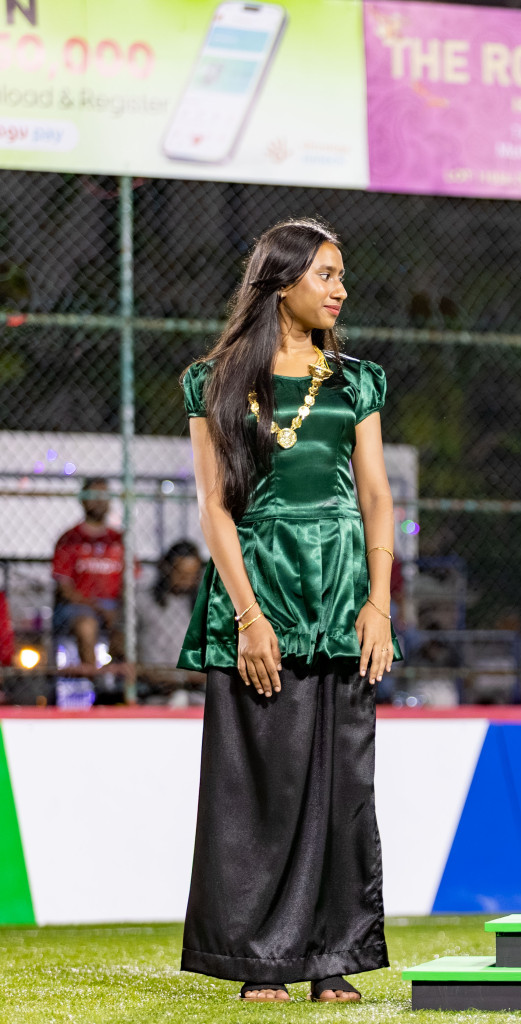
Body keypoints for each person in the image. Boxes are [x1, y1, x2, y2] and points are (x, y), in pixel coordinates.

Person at [178, 219, 399, 1002]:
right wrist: (247, 616)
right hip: (258, 585)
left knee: (344, 780)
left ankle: (331, 956)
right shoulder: (213, 380)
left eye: (342, 276)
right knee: (259, 781)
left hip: (342, 590)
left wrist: (379, 604)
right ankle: (259, 963)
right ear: (282, 283)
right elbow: (213, 507)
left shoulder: (358, 379)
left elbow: (376, 495)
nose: (341, 289)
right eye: (327, 275)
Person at [51, 477, 124, 666]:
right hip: (79, 607)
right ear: (82, 500)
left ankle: (122, 683)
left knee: (128, 627)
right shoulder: (69, 539)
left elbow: (131, 583)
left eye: (104, 495)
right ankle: (97, 684)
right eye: (94, 495)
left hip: (114, 606)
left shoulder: (119, 539)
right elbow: (65, 589)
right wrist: (99, 609)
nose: (99, 500)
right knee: (87, 626)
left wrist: (120, 611)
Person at [136, 540, 204, 695]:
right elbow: (119, 642)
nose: (187, 580)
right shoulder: (142, 601)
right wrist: (142, 670)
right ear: (166, 569)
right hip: (150, 687)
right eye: (181, 573)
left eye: (192, 575)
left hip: (195, 689)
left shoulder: (204, 606)